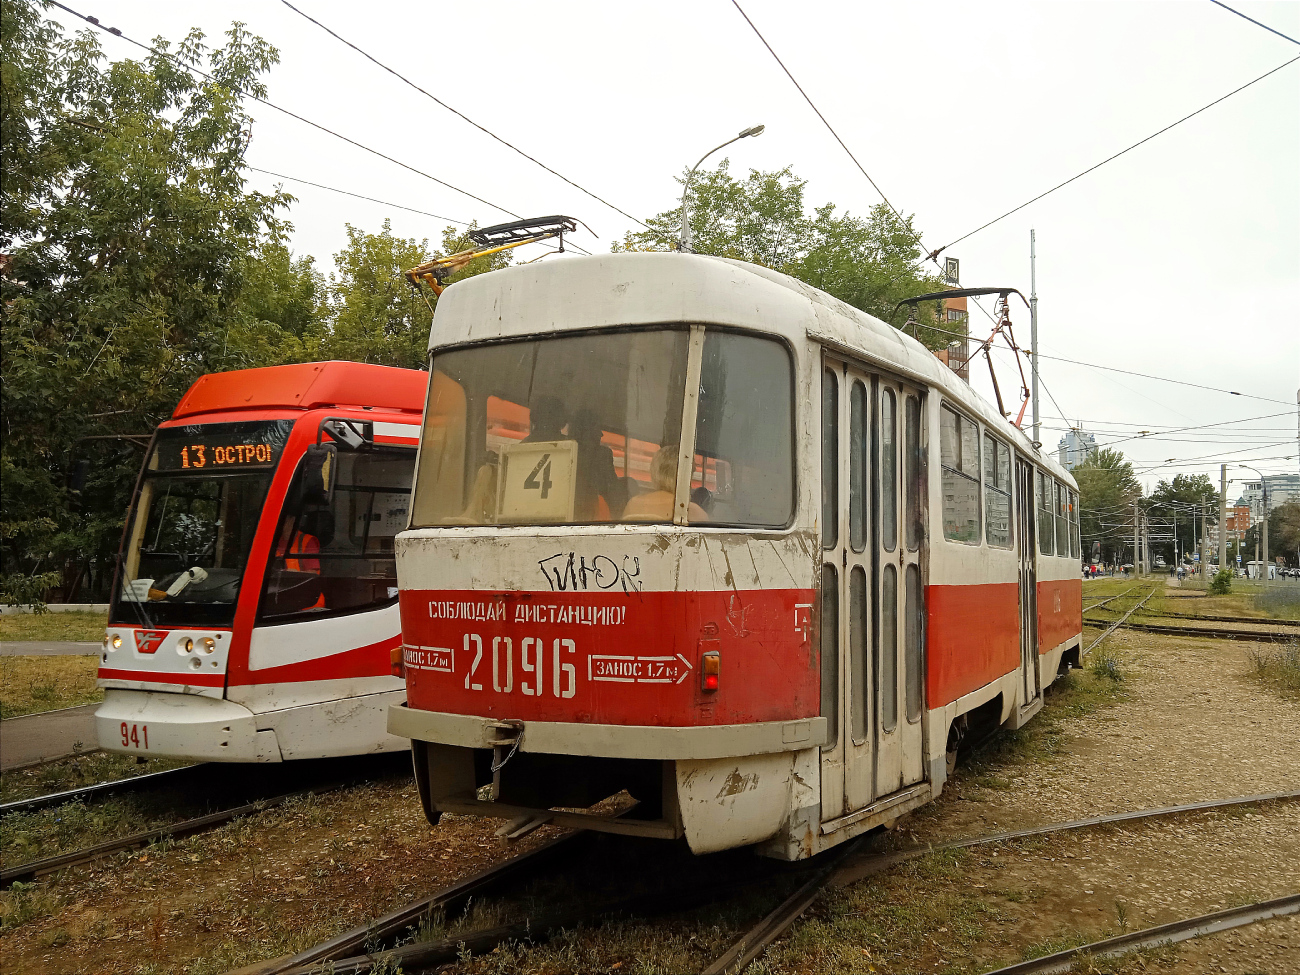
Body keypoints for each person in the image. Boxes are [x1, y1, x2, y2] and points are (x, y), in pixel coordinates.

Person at [622, 445, 708, 522]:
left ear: (654, 471)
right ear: (684, 476)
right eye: (691, 473)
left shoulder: (633, 504)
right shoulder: (693, 511)